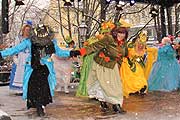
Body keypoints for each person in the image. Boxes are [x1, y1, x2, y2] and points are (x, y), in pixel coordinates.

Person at [0, 24, 78, 116]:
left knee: (44, 87)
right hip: (33, 68)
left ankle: (40, 105)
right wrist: (2, 54)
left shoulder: (51, 43)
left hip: (45, 69)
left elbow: (60, 52)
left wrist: (72, 52)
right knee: (33, 87)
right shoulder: (29, 42)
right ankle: (37, 105)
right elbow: (15, 49)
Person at [75, 25, 128, 114]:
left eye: (123, 33)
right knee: (108, 85)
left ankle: (104, 102)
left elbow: (122, 55)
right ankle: (116, 105)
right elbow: (94, 46)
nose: (121, 35)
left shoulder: (123, 43)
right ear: (115, 33)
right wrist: (80, 52)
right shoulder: (109, 39)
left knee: (113, 85)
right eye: (120, 32)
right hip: (102, 64)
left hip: (112, 67)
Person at [120, 31, 148, 98]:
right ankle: (133, 89)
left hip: (136, 64)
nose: (141, 45)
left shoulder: (143, 48)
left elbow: (142, 53)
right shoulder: (130, 46)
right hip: (127, 64)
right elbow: (125, 53)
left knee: (139, 75)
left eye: (142, 44)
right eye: (139, 43)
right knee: (130, 77)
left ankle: (141, 87)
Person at [9, 23, 32, 94]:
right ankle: (20, 90)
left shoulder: (31, 39)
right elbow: (16, 48)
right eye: (26, 30)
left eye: (29, 30)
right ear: (23, 30)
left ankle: (28, 89)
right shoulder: (19, 38)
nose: (27, 31)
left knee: (29, 73)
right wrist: (15, 58)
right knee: (20, 73)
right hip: (21, 57)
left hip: (29, 58)